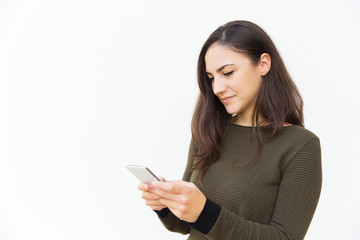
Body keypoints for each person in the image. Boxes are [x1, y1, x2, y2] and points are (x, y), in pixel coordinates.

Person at [137, 20, 322, 240]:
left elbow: (285, 237)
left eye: (228, 72)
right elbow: (187, 226)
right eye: (211, 78)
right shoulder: (208, 131)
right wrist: (165, 204)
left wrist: (205, 212)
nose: (217, 88)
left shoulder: (300, 146)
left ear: (263, 64)